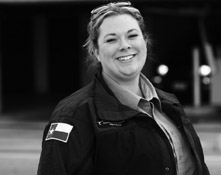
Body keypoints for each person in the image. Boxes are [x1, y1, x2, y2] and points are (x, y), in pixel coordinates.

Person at [37, 1, 210, 175]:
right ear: (96, 51)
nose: (125, 45)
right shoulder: (73, 116)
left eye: (132, 36)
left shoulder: (170, 104)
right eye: (112, 39)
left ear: (146, 42)